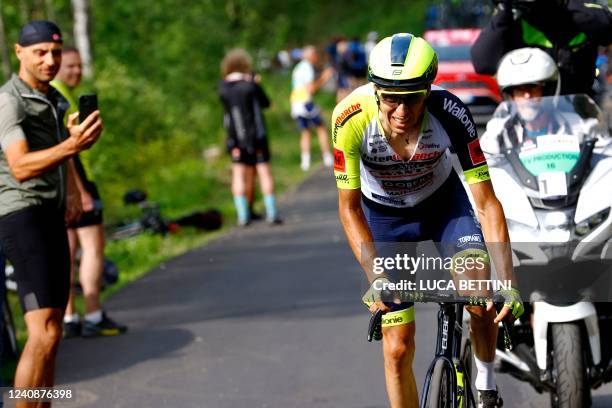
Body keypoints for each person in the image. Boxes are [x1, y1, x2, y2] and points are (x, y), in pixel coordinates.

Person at [332, 33, 524, 408]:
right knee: (398, 346)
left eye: (412, 98)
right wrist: (377, 277)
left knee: (480, 295)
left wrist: (508, 281)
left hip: (443, 208)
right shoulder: (350, 119)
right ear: (375, 93)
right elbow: (350, 208)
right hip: (385, 216)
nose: (401, 111)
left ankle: (485, 387)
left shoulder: (451, 112)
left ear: (428, 91)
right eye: (391, 99)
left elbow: (486, 203)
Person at [0, 20, 102, 398]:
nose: (49, 60)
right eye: (40, 52)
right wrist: (71, 148)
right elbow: (21, 166)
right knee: (42, 331)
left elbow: (62, 154)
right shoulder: (8, 100)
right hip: (20, 214)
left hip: (51, 214)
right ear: (19, 52)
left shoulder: (56, 100)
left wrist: (74, 190)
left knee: (54, 331)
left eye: (55, 53)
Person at [51, 47, 127, 338]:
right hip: (77, 183)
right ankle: (93, 313)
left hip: (58, 186)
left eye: (79, 66)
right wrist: (80, 190)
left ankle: (70, 318)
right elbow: (67, 148)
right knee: (92, 248)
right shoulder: (61, 97)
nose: (76, 71)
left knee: (66, 254)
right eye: (70, 66)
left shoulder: (48, 93)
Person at [471, 0, 612, 96]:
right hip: (529, 117)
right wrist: (504, 8)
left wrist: (562, 4)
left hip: (578, 113)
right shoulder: (514, 22)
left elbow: (606, 25)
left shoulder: (577, 14)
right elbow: (483, 64)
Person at [219, 49, 281, 226]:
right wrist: (256, 84)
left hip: (235, 138)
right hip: (258, 136)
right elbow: (266, 103)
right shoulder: (251, 85)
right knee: (264, 172)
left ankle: (242, 215)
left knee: (238, 174)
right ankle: (272, 213)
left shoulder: (223, 88)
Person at [290, 45, 334, 171]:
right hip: (305, 102)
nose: (317, 57)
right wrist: (324, 77)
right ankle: (327, 157)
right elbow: (311, 89)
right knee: (321, 128)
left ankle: (305, 161)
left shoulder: (298, 67)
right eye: (315, 54)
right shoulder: (307, 67)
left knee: (305, 131)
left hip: (295, 102)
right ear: (311, 55)